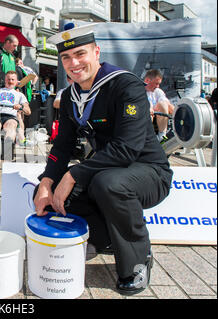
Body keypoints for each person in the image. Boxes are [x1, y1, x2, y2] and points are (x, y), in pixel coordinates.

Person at [33, 23, 173, 295]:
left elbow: (127, 149)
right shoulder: (71, 96)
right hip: (105, 170)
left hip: (148, 172)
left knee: (107, 184)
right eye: (66, 57)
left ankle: (137, 261)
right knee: (48, 195)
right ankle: (103, 238)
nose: (74, 63)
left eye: (80, 54)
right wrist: (48, 182)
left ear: (96, 52)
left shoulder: (125, 85)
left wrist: (73, 175)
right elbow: (62, 146)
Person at [0, 71, 31, 156]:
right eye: (8, 79)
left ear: (16, 81)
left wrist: (20, 107)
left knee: (11, 126)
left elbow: (28, 111)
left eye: (13, 79)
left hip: (10, 117)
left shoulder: (19, 95)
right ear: (5, 80)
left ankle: (7, 152)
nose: (10, 81)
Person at [143, 69, 175, 142]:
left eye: (159, 84)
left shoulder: (158, 91)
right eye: (156, 83)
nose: (157, 86)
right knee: (148, 106)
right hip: (144, 117)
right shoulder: (139, 90)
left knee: (164, 103)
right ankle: (147, 137)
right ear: (147, 80)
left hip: (157, 118)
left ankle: (162, 136)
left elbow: (168, 105)